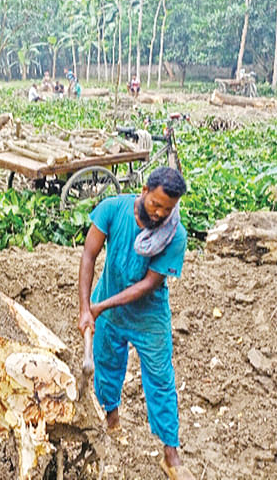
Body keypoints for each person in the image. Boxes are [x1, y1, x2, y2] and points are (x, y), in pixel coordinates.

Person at [78, 167, 195, 480]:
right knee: (106, 365)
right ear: (144, 190)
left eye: (167, 209)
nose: (159, 214)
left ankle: (171, 455)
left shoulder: (175, 234)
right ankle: (111, 420)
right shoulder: (113, 209)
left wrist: (99, 306)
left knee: (160, 379)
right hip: (109, 307)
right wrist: (85, 308)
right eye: (156, 204)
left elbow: (148, 285)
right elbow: (89, 255)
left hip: (148, 315)